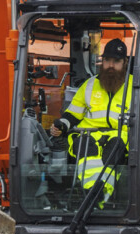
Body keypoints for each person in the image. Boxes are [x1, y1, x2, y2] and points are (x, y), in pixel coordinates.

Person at [49, 37, 134, 201]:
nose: (110, 65)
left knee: (114, 148)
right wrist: (61, 126)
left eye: (116, 61)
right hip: (88, 135)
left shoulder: (136, 87)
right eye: (107, 60)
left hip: (120, 136)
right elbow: (73, 114)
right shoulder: (89, 85)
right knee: (84, 145)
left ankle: (100, 195)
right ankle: (94, 193)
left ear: (125, 63)